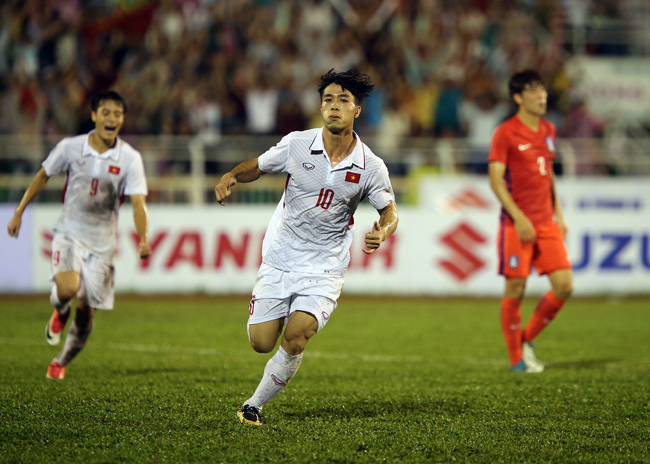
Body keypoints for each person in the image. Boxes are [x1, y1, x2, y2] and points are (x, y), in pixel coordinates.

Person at [215, 69, 398, 425]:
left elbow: (389, 209)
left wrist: (384, 231)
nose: (334, 106)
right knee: (261, 341)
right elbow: (259, 166)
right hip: (282, 254)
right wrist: (232, 175)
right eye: (328, 99)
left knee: (297, 335)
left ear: (356, 110)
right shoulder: (298, 143)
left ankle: (253, 405)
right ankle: (272, 331)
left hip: (325, 265)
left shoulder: (371, 166)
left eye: (343, 100)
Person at [7, 90, 151, 380]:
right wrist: (20, 210)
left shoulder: (130, 159)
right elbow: (43, 175)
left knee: (85, 315)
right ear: (94, 115)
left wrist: (144, 237)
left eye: (118, 114)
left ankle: (60, 362)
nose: (112, 118)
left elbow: (138, 202)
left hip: (102, 245)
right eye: (106, 112)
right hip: (69, 233)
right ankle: (60, 311)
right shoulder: (70, 147)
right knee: (67, 290)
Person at [488, 70, 573, 373]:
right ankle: (516, 360)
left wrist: (559, 215)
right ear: (517, 97)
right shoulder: (505, 132)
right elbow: (496, 180)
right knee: (516, 288)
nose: (542, 97)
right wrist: (518, 216)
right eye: (535, 91)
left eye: (544, 91)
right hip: (516, 223)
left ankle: (526, 339)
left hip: (546, 222)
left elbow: (547, 173)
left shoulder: (549, 129)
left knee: (564, 286)